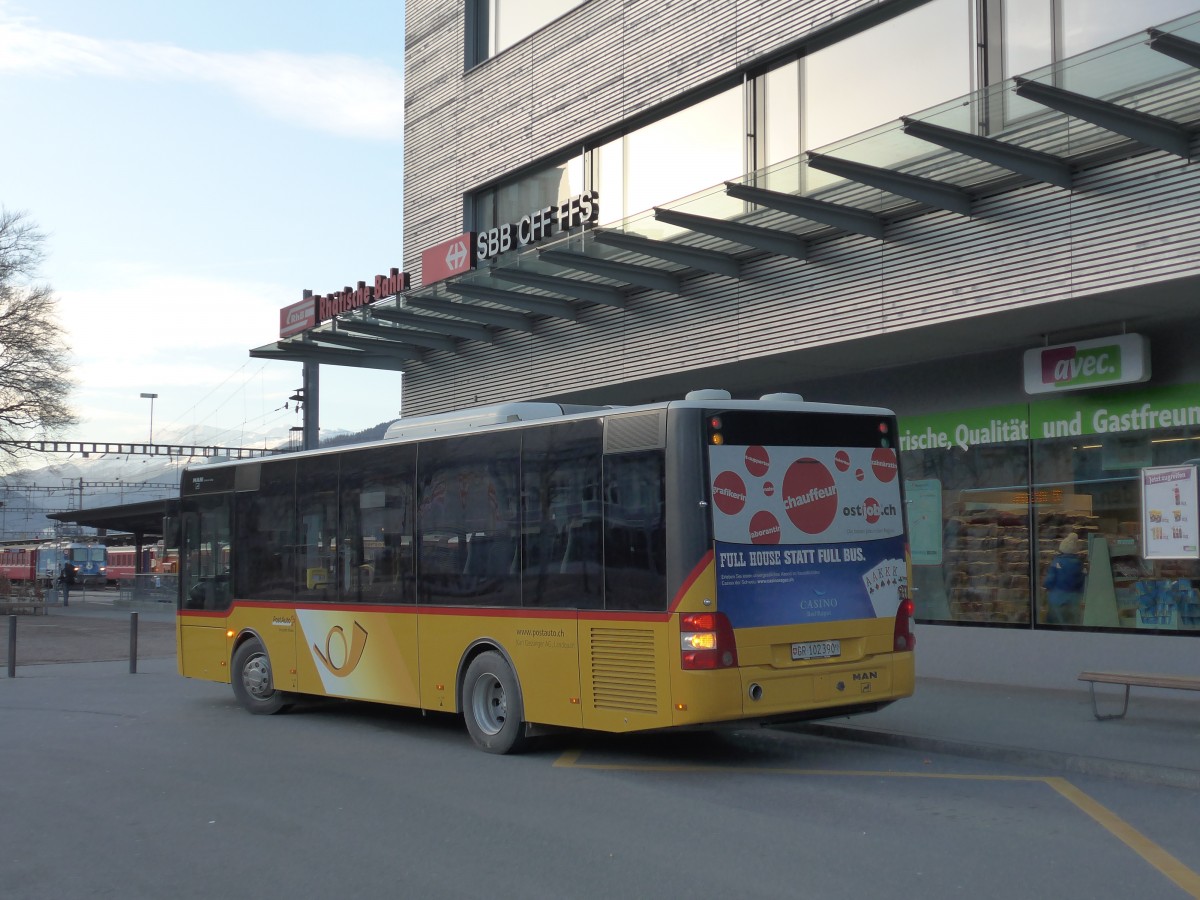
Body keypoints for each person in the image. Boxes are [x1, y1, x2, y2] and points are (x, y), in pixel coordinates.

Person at [1043, 533, 1086, 625]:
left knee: (1056, 621)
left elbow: (1051, 579)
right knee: (1073, 622)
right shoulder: (1079, 564)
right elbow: (1082, 580)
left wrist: (1047, 586)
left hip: (1057, 597)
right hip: (1074, 598)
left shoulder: (1057, 562)